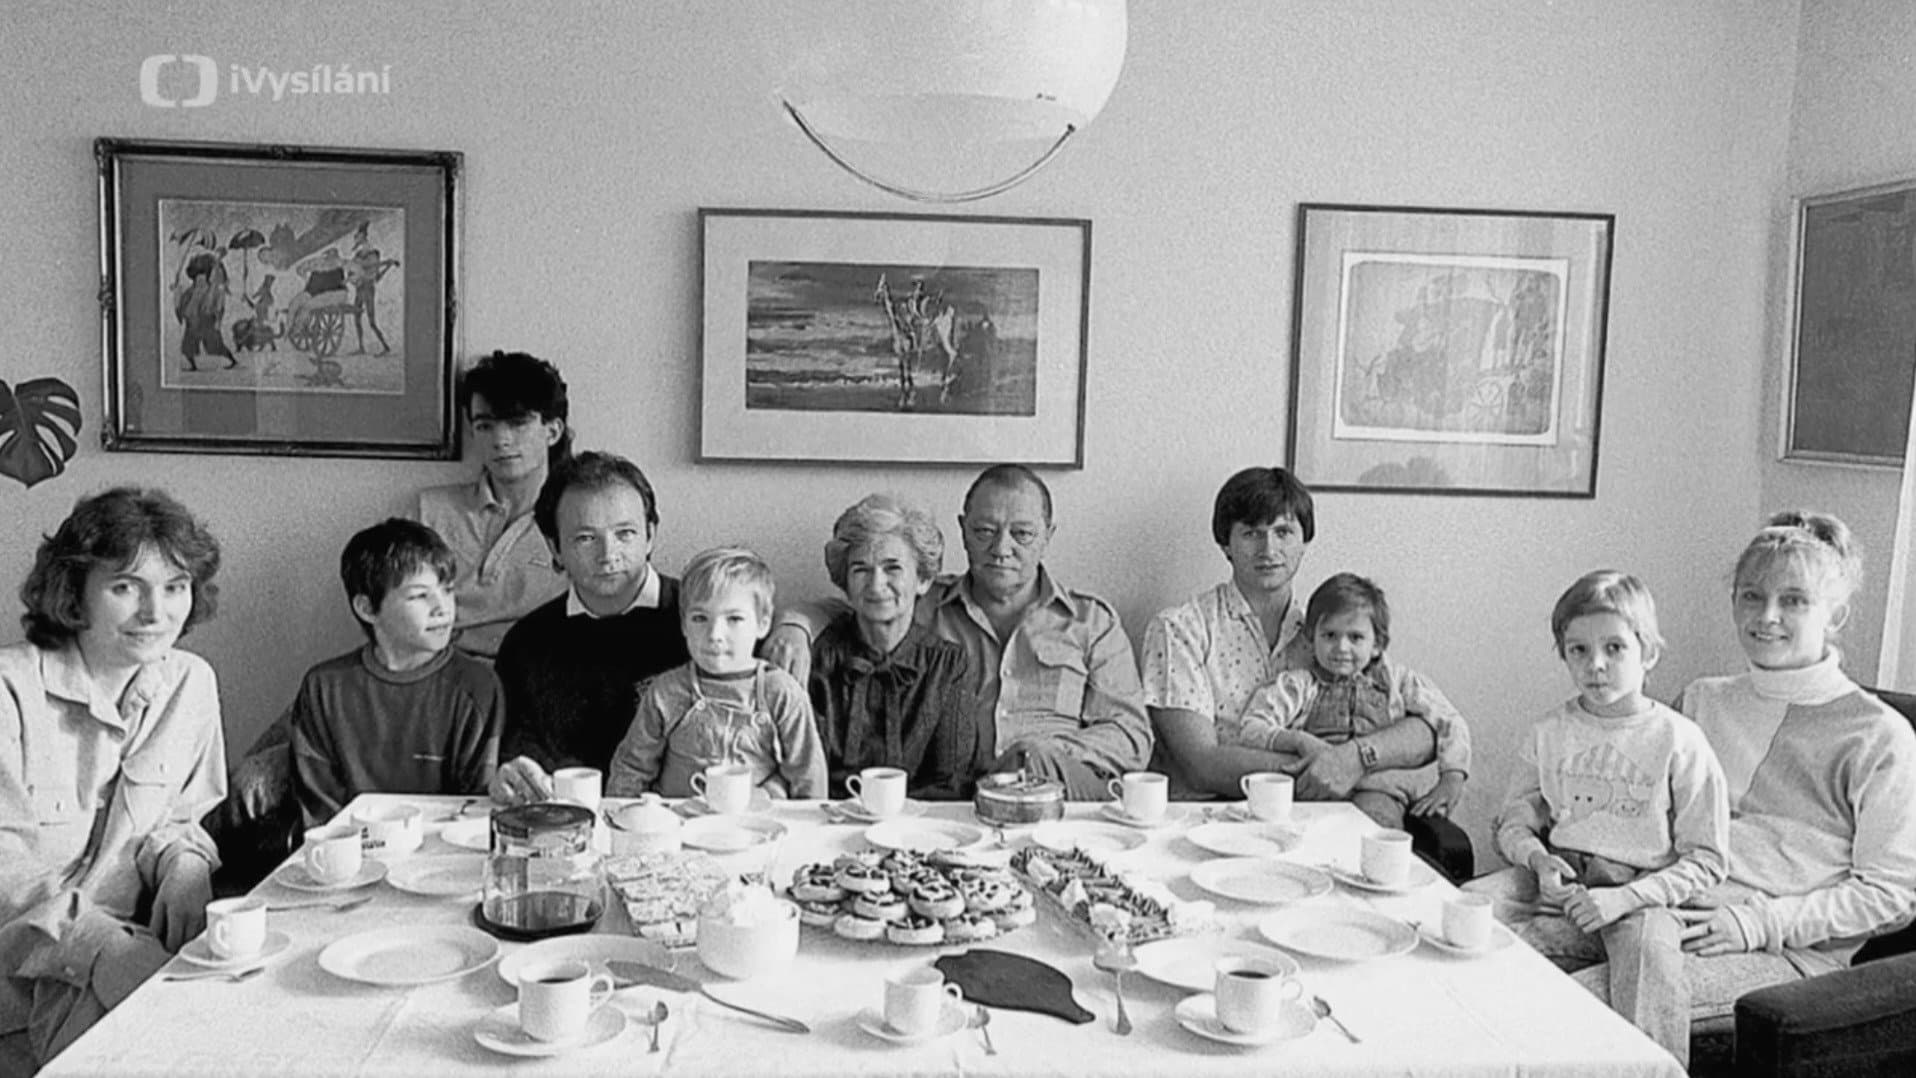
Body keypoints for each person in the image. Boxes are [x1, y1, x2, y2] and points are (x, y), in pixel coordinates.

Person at [1574, 513, 1916, 1057]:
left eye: (1794, 600)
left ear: (1837, 614)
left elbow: (1892, 896)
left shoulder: (1879, 736)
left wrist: (1759, 922)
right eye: (1751, 596)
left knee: (1561, 1012)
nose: (1767, 616)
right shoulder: (1702, 699)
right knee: (1486, 943)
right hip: (1654, 903)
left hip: (1780, 951)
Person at [0, 488, 226, 1073]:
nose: (157, 613)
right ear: (75, 591)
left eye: (175, 587)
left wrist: (184, 862)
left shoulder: (190, 684)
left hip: (123, 960)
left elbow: (179, 815)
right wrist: (100, 948)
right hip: (14, 987)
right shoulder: (8, 691)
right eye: (126, 587)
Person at [767, 464, 1150, 799]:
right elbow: (864, 605)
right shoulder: (924, 599)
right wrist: (795, 624)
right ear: (963, 529)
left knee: (1038, 767)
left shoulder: (1091, 622)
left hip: (1062, 793)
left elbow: (1132, 737)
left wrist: (1038, 755)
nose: (1001, 548)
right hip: (962, 797)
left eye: (1022, 534)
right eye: (985, 530)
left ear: (1048, 534)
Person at [1470, 570, 1729, 1063]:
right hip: (1562, 881)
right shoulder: (1549, 732)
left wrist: (1625, 899)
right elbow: (1514, 821)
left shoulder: (1680, 740)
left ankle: (1652, 1070)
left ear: (1648, 653)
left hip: (1643, 894)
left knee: (1651, 963)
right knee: (1465, 908)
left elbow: (1708, 860)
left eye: (1615, 648)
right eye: (1578, 650)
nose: (1596, 665)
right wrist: (1538, 860)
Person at [1140, 466, 1437, 800]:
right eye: (1251, 533)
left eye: (1283, 532)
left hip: (1314, 819)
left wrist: (1353, 759)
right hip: (1210, 818)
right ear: (1226, 544)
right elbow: (1202, 765)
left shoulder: (1333, 631)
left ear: (1304, 542)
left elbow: (1426, 728)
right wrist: (1347, 778)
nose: (1268, 550)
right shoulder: (1180, 629)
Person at [490, 451, 689, 804]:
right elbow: (514, 751)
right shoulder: (526, 643)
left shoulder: (702, 620)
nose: (608, 554)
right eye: (585, 538)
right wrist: (511, 776)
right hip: (564, 822)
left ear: (651, 535)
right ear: (555, 547)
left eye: (625, 533)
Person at [287, 519, 504, 829]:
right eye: (419, 596)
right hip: (350, 855)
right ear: (367, 608)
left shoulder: (477, 686)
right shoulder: (324, 688)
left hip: (445, 854)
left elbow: (477, 805)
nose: (442, 608)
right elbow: (319, 808)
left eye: (448, 591)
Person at [1233, 572, 1472, 827]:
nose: (1341, 648)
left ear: (1378, 644)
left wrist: (1452, 777)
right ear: (1311, 639)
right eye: (1330, 635)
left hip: (1377, 795)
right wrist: (1298, 740)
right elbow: (1251, 727)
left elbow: (1449, 720)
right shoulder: (1298, 685)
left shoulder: (1400, 682)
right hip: (1315, 790)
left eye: (1355, 637)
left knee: (1374, 828)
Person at [807, 494, 991, 801]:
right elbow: (806, 773)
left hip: (922, 830)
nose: (876, 585)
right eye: (861, 570)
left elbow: (952, 781)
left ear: (923, 580)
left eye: (892, 568)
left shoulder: (948, 665)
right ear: (845, 584)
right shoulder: (820, 658)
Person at [607, 548, 825, 799]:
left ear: (763, 623)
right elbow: (632, 767)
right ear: (684, 625)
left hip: (757, 825)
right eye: (700, 618)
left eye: (734, 619)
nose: (714, 635)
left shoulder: (781, 692)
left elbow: (808, 774)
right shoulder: (665, 692)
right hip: (680, 823)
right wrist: (619, 818)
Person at [415, 350, 573, 661]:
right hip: (443, 678)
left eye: (517, 423)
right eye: (485, 426)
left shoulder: (580, 518)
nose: (500, 440)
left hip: (540, 679)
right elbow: (399, 614)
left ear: (552, 431)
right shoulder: (429, 512)